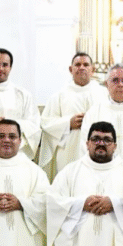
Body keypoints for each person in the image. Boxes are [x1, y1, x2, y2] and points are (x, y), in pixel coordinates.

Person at [39, 52, 108, 180]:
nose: (82, 67)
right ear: (71, 69)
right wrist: (67, 123)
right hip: (68, 153)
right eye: (77, 64)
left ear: (92, 69)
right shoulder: (59, 96)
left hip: (98, 150)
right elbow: (46, 123)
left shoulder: (104, 94)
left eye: (86, 64)